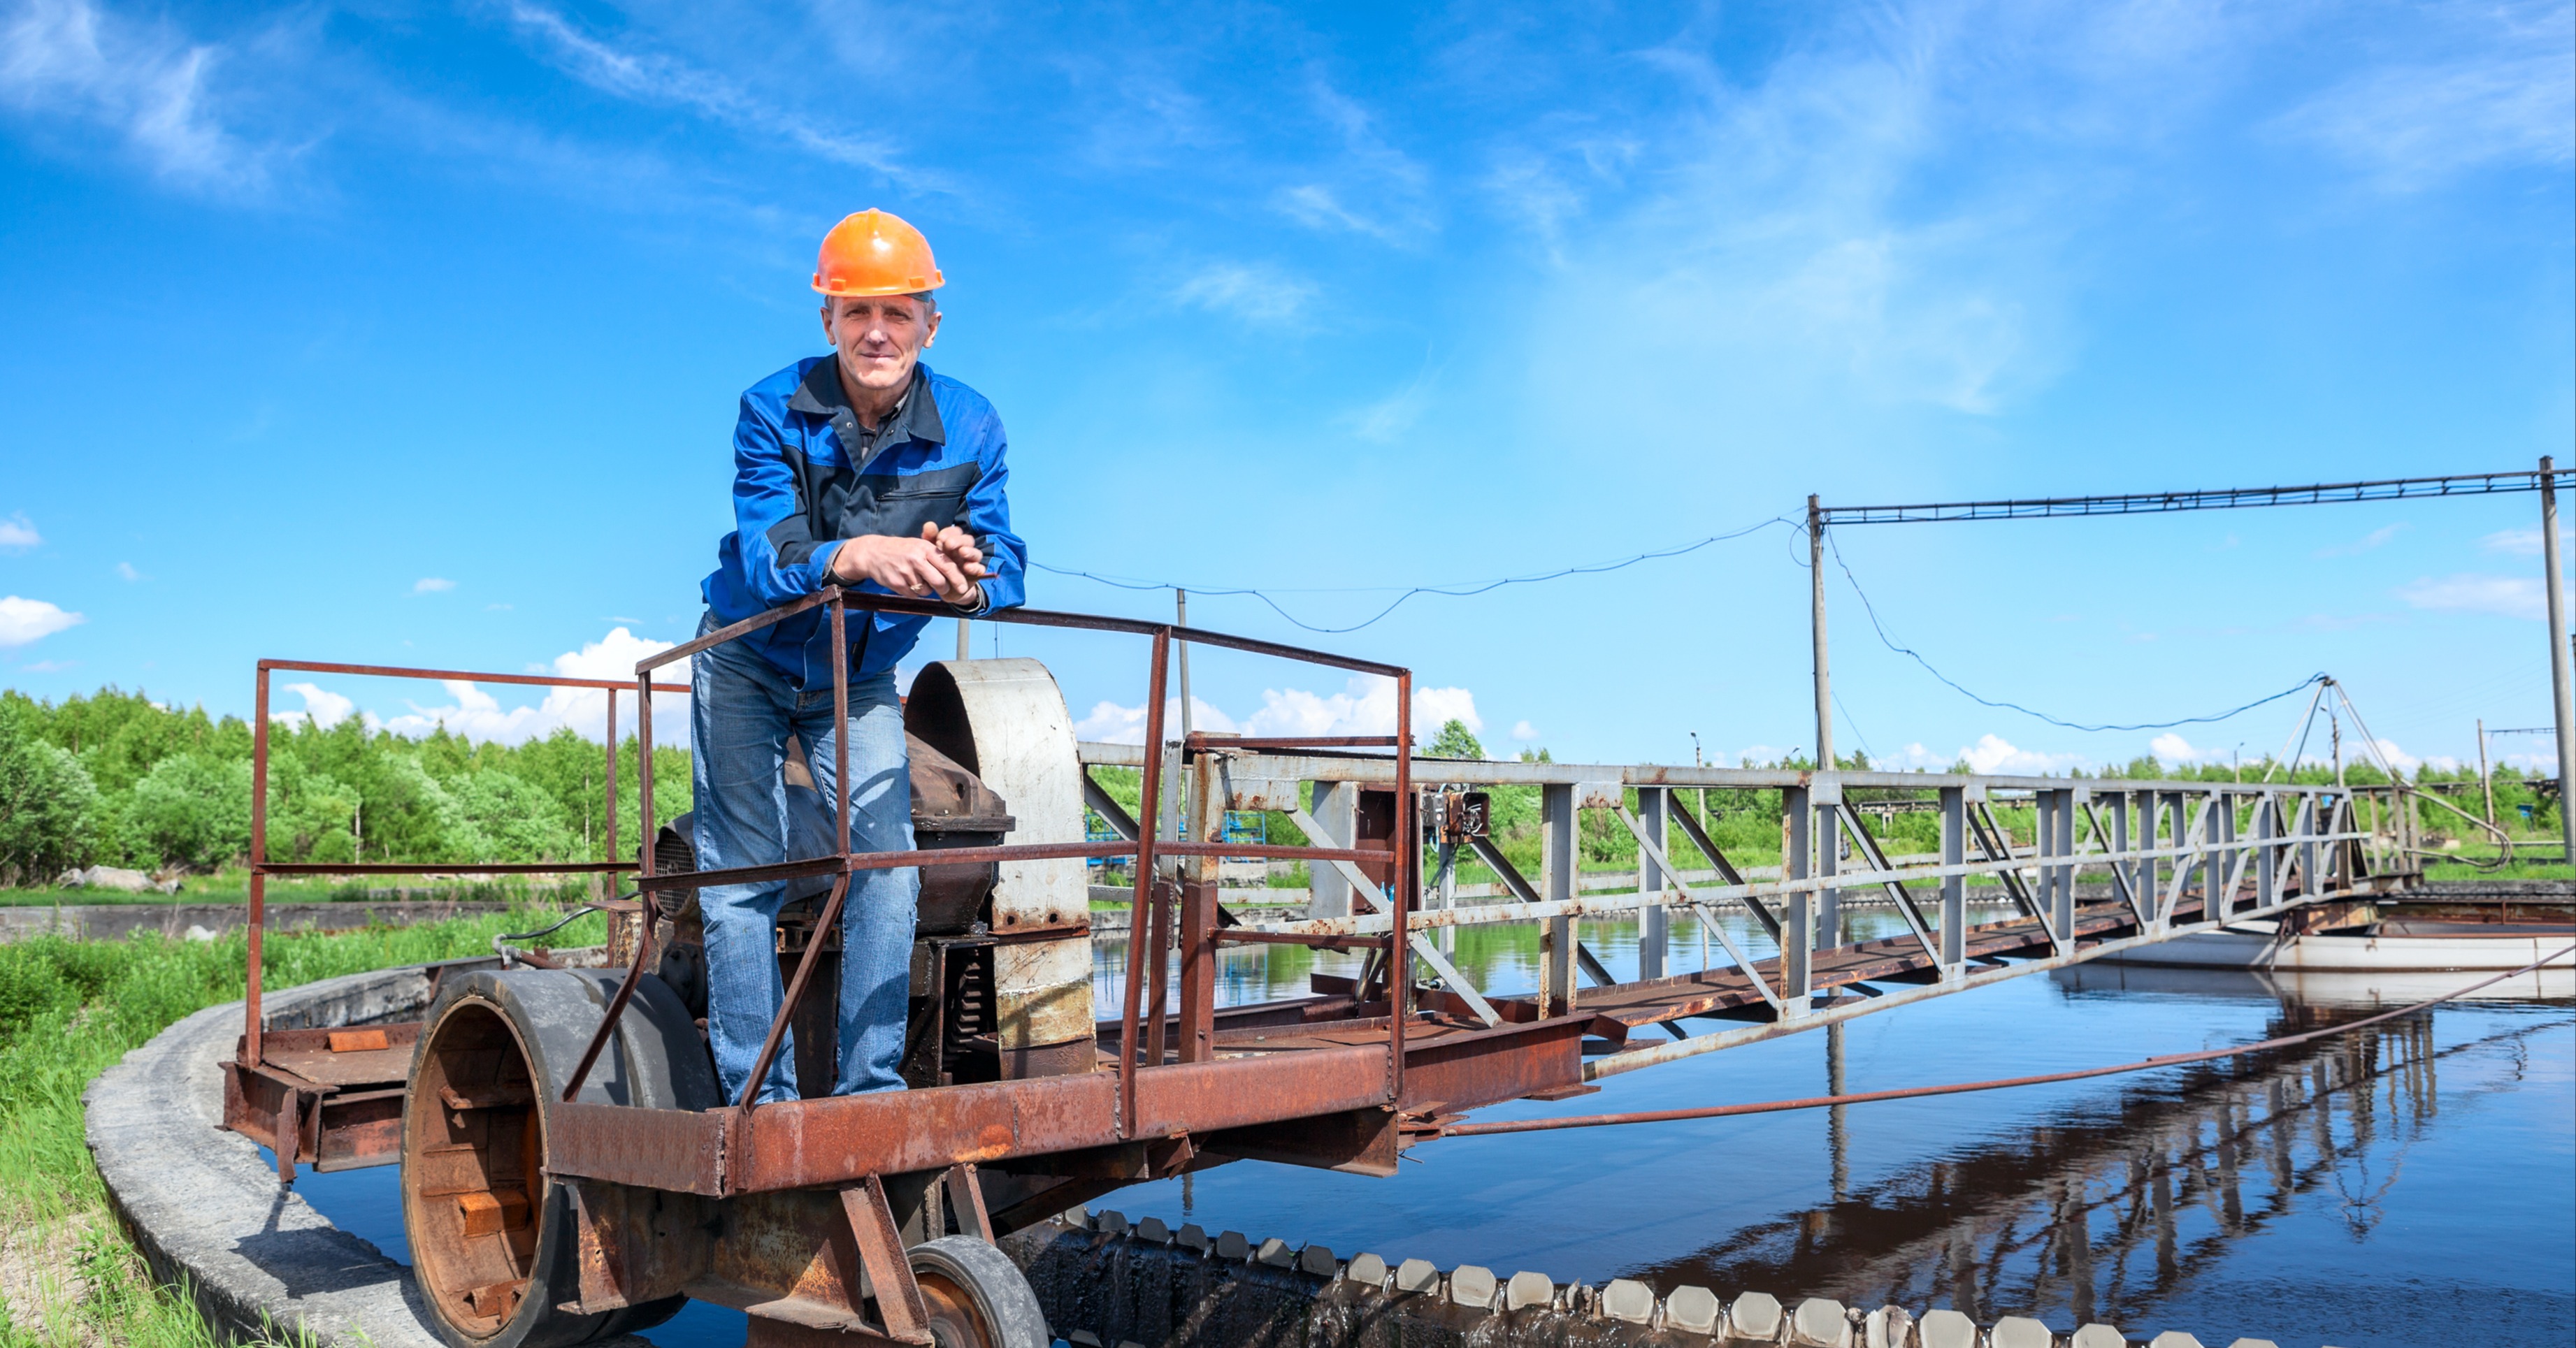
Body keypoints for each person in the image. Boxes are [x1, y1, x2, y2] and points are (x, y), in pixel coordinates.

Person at [691, 208, 1025, 1104]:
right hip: (747, 660)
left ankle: (870, 1087)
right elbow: (766, 555)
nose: (877, 331)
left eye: (898, 312)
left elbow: (1005, 558)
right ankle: (759, 1096)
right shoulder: (772, 408)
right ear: (827, 321)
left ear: (930, 323)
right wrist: (852, 556)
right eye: (855, 312)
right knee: (740, 874)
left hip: (859, 675)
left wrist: (968, 581)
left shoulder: (972, 425)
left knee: (885, 867)